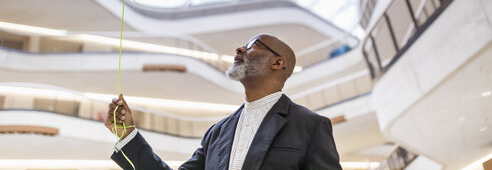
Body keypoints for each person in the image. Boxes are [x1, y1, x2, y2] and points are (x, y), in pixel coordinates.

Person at [105, 33, 342, 169]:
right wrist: (127, 135)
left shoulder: (310, 126)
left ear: (278, 63)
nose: (239, 48)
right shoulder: (217, 133)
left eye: (252, 45)